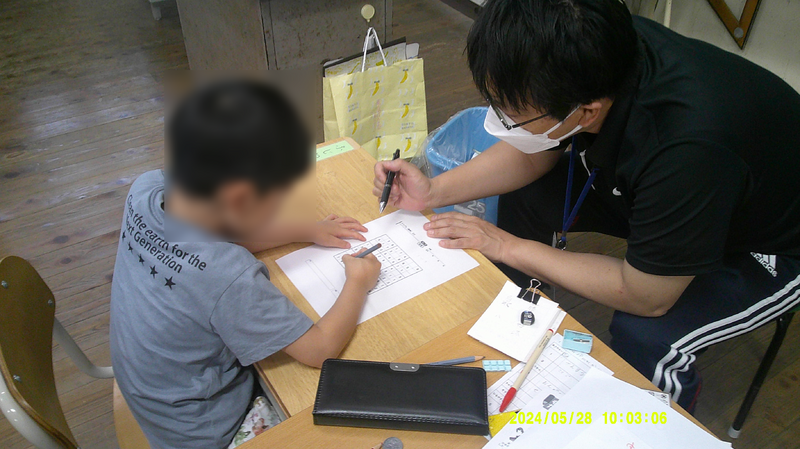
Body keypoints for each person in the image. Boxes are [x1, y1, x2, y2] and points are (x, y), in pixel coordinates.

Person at [374, 0, 800, 412]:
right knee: (528, 195)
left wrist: (505, 245)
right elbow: (533, 151)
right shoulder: (591, 51)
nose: (499, 122)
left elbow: (646, 296)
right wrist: (432, 192)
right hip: (672, 191)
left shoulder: (687, 150)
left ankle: (657, 427)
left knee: (648, 336)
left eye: (511, 114)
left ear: (587, 113)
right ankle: (518, 326)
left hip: (766, 238)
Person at [110, 79, 381, 448]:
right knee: (330, 412)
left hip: (155, 396)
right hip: (206, 433)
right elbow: (319, 350)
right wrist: (358, 282)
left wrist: (305, 229)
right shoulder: (228, 276)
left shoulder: (147, 190)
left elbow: (224, 231)